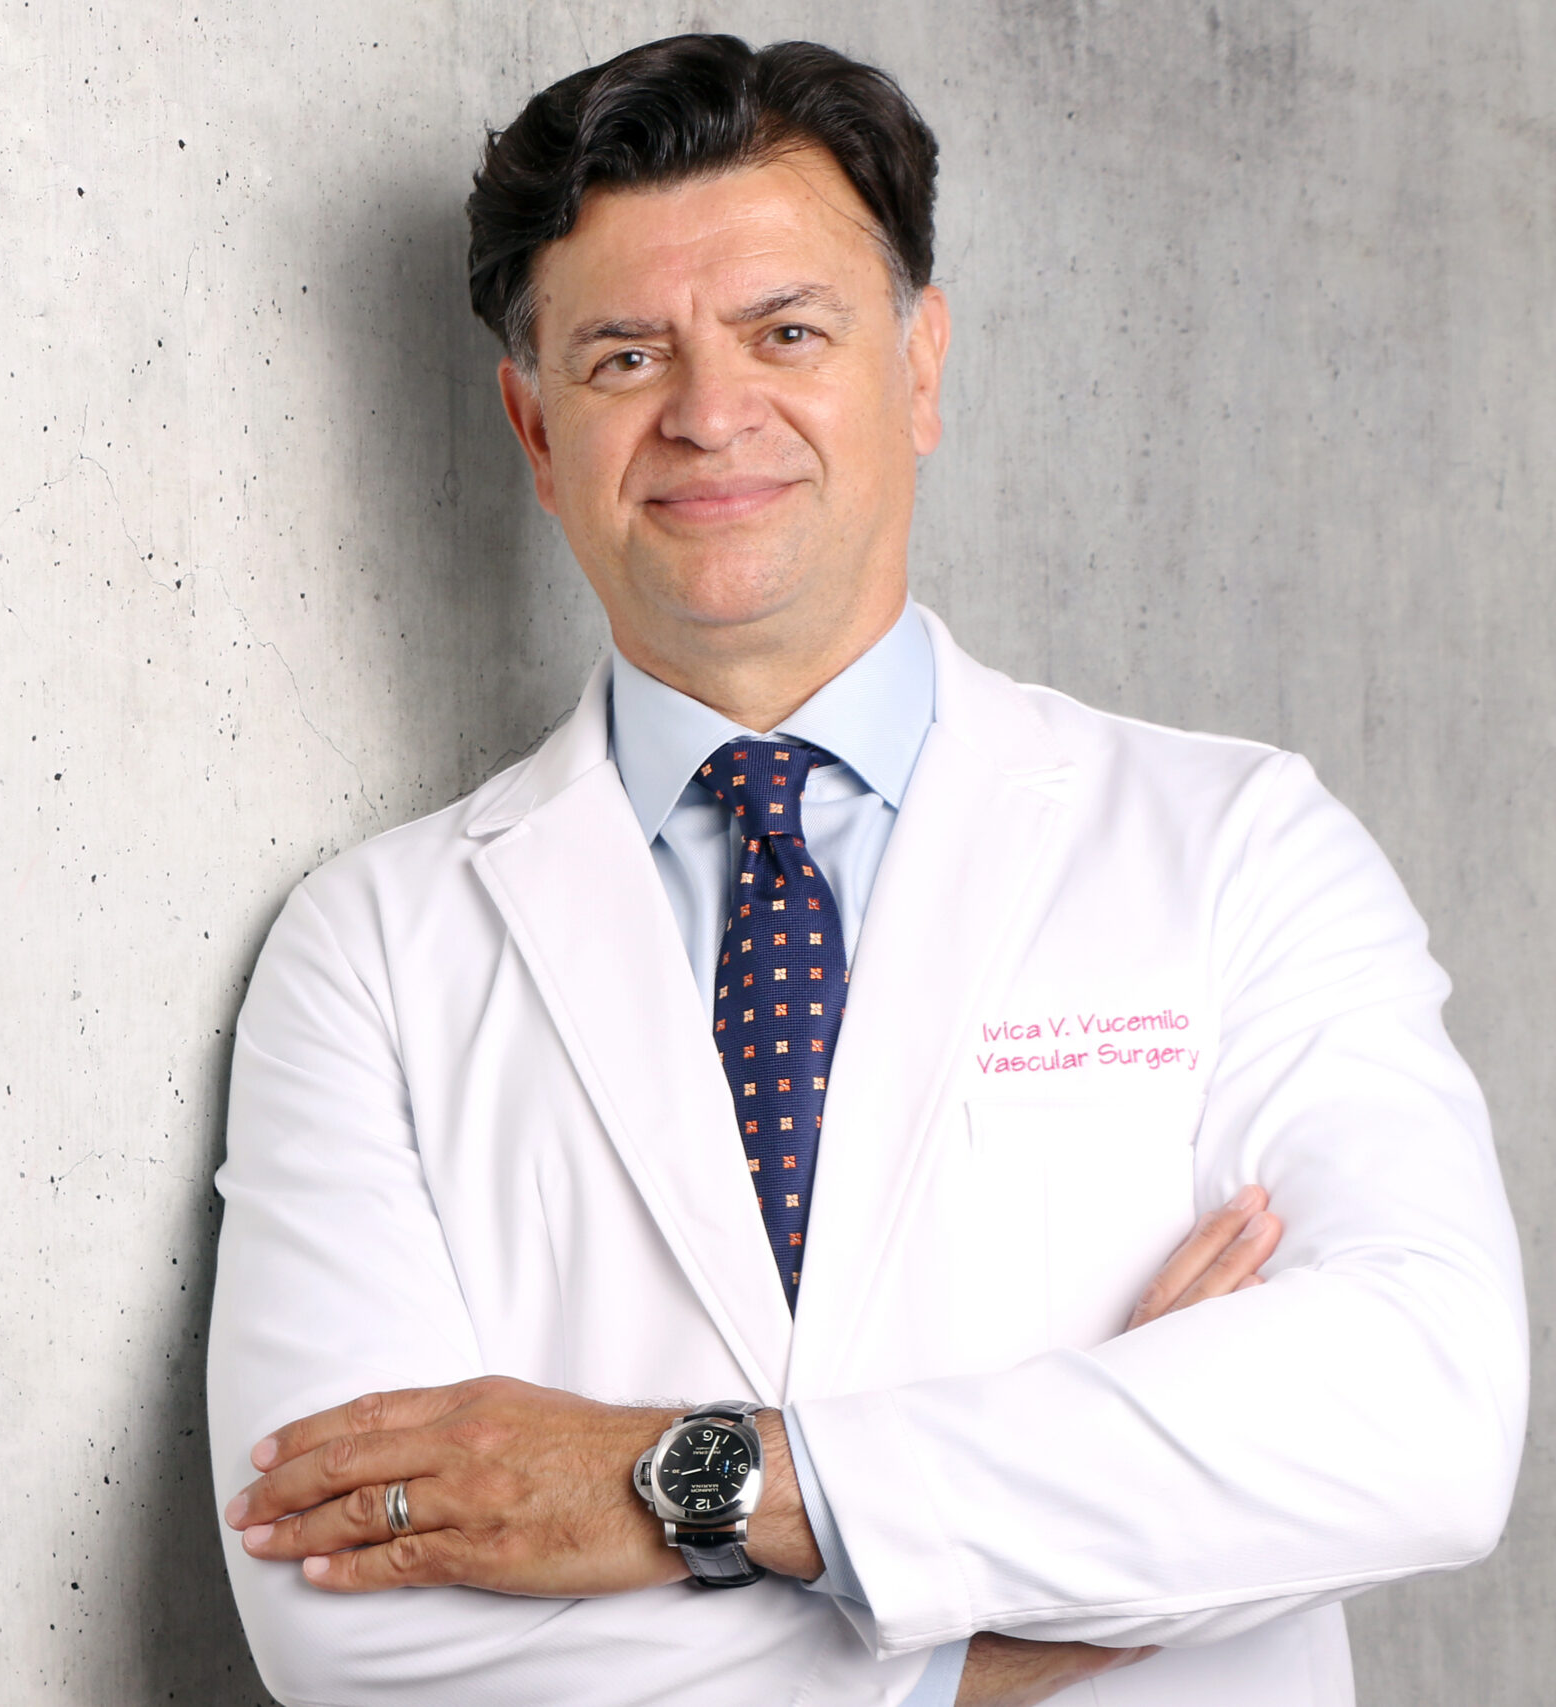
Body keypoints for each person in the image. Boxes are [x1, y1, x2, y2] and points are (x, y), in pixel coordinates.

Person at [205, 33, 1526, 1707]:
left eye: (788, 332)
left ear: (919, 368)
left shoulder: (1238, 846)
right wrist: (1036, 1607)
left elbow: (1418, 1415)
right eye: (623, 356)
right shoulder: (374, 952)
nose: (708, 412)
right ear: (536, 430)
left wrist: (685, 1485)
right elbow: (348, 1621)